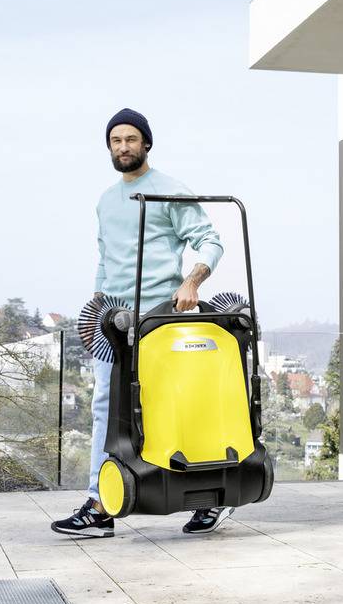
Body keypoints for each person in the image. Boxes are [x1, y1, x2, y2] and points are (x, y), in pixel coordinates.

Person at [51, 108, 229, 539]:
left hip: (159, 321)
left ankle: (208, 499)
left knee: (176, 408)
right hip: (113, 323)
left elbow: (210, 240)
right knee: (104, 409)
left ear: (146, 143)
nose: (123, 147)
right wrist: (98, 297)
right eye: (116, 140)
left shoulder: (169, 190)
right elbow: (105, 256)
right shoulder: (106, 200)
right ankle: (100, 505)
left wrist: (192, 281)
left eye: (131, 139)